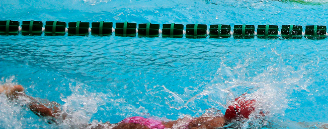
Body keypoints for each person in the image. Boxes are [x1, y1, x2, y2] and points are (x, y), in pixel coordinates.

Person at [0, 83, 264, 129]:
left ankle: (20, 97)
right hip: (143, 128)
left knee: (76, 123)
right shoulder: (218, 126)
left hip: (147, 124)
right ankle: (18, 97)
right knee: (73, 125)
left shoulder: (216, 119)